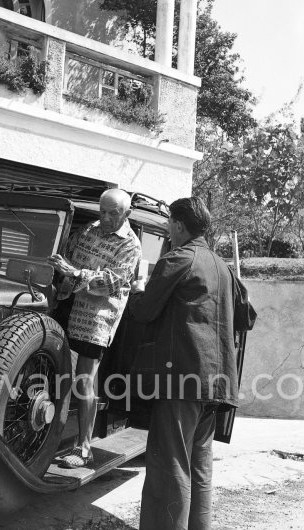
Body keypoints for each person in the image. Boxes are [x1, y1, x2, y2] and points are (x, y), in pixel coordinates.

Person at [127, 196, 239, 530]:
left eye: (167, 227)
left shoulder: (178, 259)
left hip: (181, 381)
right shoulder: (223, 267)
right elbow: (245, 318)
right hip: (215, 384)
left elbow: (145, 310)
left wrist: (136, 290)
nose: (167, 233)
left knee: (169, 466)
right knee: (199, 466)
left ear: (178, 224)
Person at [48, 188, 141, 468]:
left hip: (95, 319)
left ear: (127, 213)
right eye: (102, 211)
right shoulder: (89, 228)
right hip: (64, 306)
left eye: (114, 213)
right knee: (55, 374)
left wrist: (73, 273)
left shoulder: (131, 245)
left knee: (85, 380)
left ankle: (84, 447)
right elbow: (66, 255)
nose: (107, 217)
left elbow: (108, 284)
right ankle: (49, 437)